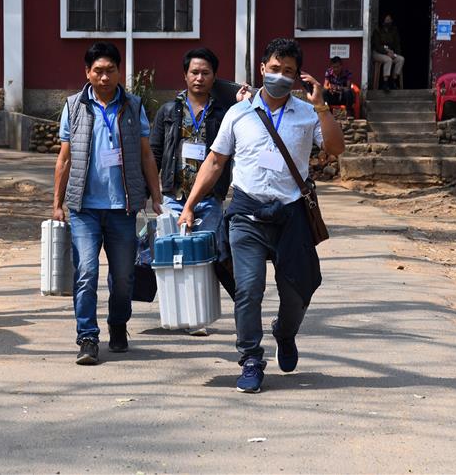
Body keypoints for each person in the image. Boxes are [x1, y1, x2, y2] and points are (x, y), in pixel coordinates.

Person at [177, 38, 345, 393]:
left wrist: (322, 108)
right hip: (247, 213)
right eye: (274, 69)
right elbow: (215, 161)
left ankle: (285, 333)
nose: (280, 76)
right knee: (248, 290)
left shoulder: (305, 113)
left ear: (298, 76)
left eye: (288, 71)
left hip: (292, 215)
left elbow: (334, 148)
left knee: (299, 291)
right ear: (261, 69)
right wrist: (190, 204)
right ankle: (251, 358)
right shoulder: (238, 114)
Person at [52, 42, 163, 366]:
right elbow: (64, 158)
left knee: (124, 275)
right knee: (86, 271)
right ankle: (87, 337)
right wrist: (57, 203)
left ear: (119, 72)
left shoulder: (133, 106)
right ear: (87, 72)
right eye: (97, 70)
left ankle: (118, 324)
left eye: (110, 70)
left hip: (122, 208)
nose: (104, 76)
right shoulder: (73, 106)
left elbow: (145, 154)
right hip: (84, 208)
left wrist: (156, 196)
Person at [149, 48, 233, 336]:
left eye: (205, 73)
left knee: (204, 257)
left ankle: (198, 317)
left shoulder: (224, 114)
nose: (199, 78)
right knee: (173, 258)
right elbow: (155, 152)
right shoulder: (168, 111)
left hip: (209, 198)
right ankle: (175, 311)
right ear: (185, 75)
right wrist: (153, 193)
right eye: (194, 72)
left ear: (214, 77)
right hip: (174, 196)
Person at [371, 13, 405, 92]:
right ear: (383, 21)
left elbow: (397, 44)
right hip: (378, 53)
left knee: (401, 59)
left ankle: (393, 81)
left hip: (390, 52)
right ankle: (385, 83)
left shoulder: (394, 31)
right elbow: (377, 46)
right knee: (388, 60)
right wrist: (386, 52)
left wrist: (396, 54)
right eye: (387, 20)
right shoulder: (377, 31)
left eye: (390, 20)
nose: (388, 22)